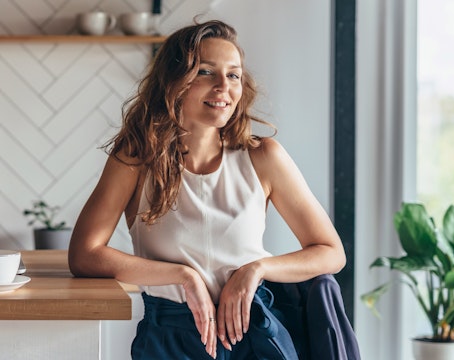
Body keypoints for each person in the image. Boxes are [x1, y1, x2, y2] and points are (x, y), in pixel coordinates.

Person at [68, 20, 359, 359]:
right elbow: (84, 254)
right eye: (206, 72)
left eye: (233, 75)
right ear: (174, 82)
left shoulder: (263, 156)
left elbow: (331, 252)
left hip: (256, 336)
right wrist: (183, 276)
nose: (224, 86)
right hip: (169, 339)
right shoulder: (135, 159)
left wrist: (257, 268)